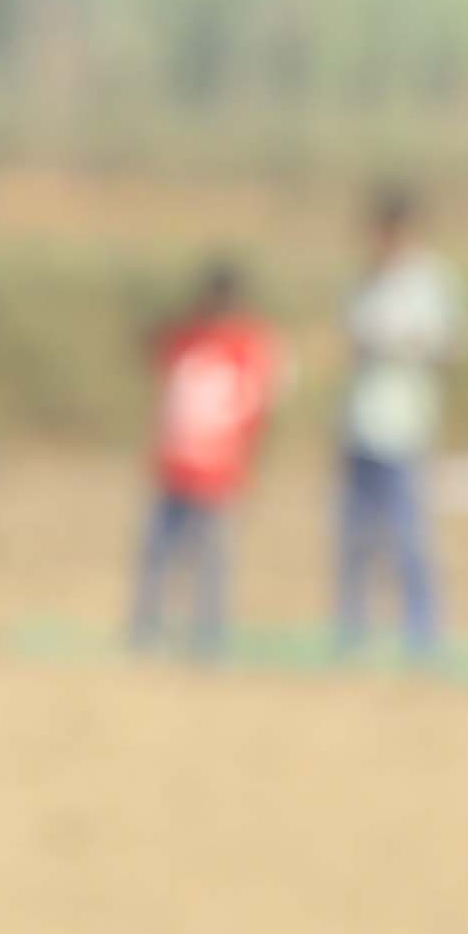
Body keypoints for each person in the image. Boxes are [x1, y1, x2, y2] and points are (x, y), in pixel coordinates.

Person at [330, 182, 465, 660]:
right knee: (354, 536)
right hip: (360, 422)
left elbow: (452, 344)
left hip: (405, 425)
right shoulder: (366, 280)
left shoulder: (432, 281)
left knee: (409, 537)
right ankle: (352, 632)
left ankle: (422, 635)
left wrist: (404, 343)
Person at [124, 259, 271, 659]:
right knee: (158, 552)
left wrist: (249, 464)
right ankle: (147, 629)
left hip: (219, 468)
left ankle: (208, 636)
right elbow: (146, 345)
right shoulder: (187, 338)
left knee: (211, 559)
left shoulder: (247, 345)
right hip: (176, 464)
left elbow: (256, 409)